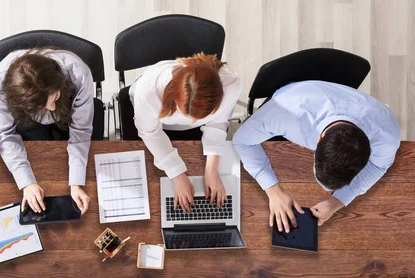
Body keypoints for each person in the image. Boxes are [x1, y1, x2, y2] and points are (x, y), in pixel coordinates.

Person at [232, 80, 401, 232]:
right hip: (297, 95)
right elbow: (241, 140)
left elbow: (378, 166)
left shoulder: (386, 135)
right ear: (317, 142)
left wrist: (336, 202)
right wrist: (273, 191)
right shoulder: (285, 111)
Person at [129, 53, 242, 211]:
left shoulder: (231, 85)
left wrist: (212, 169)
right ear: (174, 98)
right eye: (187, 114)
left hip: (191, 134)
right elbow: (150, 133)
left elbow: (218, 122)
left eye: (202, 116)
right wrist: (177, 176)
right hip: (155, 124)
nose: (194, 121)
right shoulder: (148, 92)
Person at [0, 48, 93, 215]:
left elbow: (81, 131)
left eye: (54, 97)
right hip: (26, 120)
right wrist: (26, 183)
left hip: (67, 115)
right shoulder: (1, 82)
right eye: (43, 106)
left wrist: (76, 182)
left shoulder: (79, 73)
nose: (51, 108)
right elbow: (5, 133)